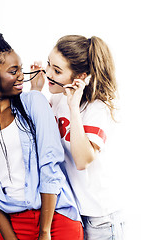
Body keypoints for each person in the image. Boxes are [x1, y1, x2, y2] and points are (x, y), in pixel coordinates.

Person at [0, 30, 83, 240]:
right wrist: (9, 236)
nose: (21, 76)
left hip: (55, 218)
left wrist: (44, 232)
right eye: (13, 71)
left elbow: (50, 165)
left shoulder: (34, 102)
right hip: (13, 222)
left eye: (21, 69)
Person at [30, 35, 124, 239]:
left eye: (57, 70)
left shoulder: (97, 108)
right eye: (48, 64)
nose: (47, 73)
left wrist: (73, 107)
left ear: (79, 78)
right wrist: (35, 91)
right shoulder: (56, 98)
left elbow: (82, 161)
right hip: (72, 213)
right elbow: (39, 141)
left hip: (100, 219)